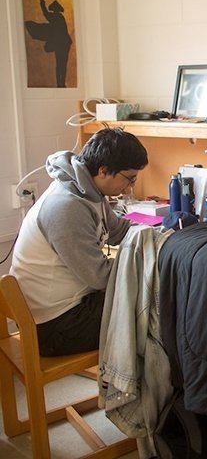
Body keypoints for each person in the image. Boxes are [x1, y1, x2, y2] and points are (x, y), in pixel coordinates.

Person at [10, 127, 148, 356]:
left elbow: (119, 230)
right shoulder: (66, 206)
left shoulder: (90, 191)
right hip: (54, 326)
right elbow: (100, 276)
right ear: (104, 171)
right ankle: (140, 389)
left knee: (152, 300)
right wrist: (151, 261)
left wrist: (162, 236)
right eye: (129, 178)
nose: (131, 187)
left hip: (73, 305)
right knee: (153, 310)